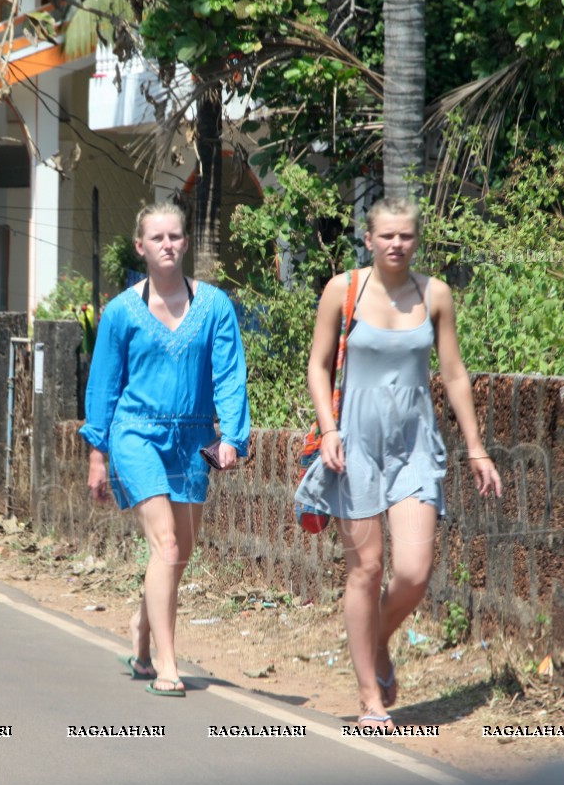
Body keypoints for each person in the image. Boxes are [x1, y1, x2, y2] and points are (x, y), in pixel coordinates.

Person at [295, 197, 502, 730]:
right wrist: (329, 429)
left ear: (417, 240)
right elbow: (318, 367)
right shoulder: (343, 290)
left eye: (406, 236)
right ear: (369, 239)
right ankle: (370, 699)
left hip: (414, 445)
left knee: (412, 572)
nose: (396, 244)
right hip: (354, 447)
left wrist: (476, 447)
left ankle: (377, 638)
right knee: (364, 569)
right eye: (386, 235)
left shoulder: (435, 295)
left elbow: (454, 373)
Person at [82, 203, 251, 698]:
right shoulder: (119, 313)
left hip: (194, 437)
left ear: (185, 242)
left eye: (175, 236)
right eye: (157, 238)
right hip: (135, 434)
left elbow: (229, 376)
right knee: (167, 545)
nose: (168, 245)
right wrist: (97, 453)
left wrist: (233, 438)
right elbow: (104, 386)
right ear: (141, 246)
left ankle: (141, 628)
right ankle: (168, 664)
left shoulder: (215, 306)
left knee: (180, 553)